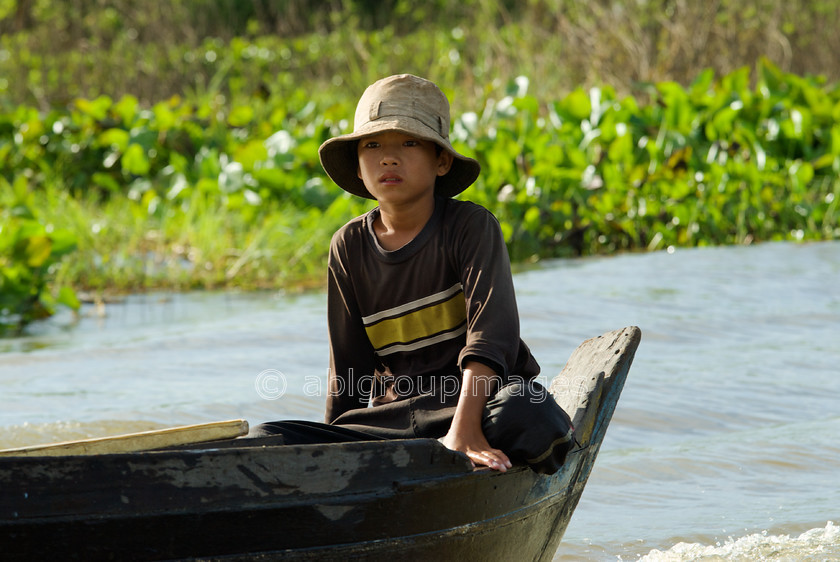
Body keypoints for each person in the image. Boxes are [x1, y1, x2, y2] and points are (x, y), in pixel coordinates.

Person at [250, 74, 573, 474]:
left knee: (529, 414)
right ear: (358, 163)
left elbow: (494, 336)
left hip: (479, 404)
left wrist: (465, 430)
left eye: (408, 142)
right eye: (372, 145)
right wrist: (331, 453)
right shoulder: (347, 246)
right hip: (398, 420)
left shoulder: (469, 226)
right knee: (267, 439)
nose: (388, 158)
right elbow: (348, 369)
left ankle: (468, 441)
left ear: (441, 160)